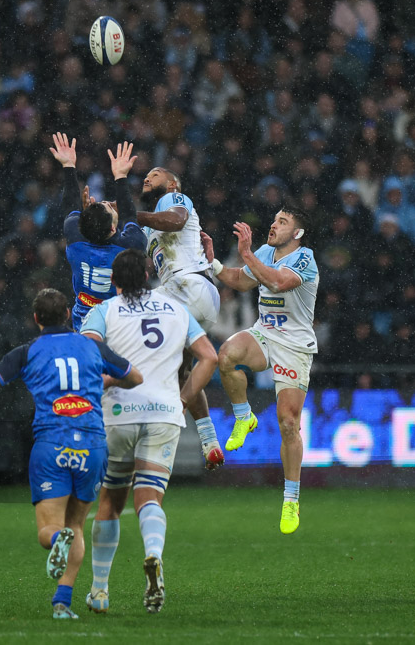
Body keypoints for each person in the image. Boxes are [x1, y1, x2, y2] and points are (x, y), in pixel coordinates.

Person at [0, 288, 141, 619]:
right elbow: (134, 376)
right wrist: (99, 383)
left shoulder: (28, 351)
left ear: (36, 319)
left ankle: (57, 543)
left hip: (52, 443)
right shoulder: (92, 346)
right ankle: (62, 602)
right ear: (67, 315)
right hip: (91, 444)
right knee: (77, 524)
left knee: (50, 530)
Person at [80, 249, 217, 614]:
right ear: (148, 274)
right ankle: (153, 555)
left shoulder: (103, 311)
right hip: (163, 413)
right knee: (149, 499)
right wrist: (184, 399)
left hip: (117, 414)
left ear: (114, 281)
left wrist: (110, 377)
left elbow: (88, 352)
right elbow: (210, 357)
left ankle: (99, 591)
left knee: (109, 503)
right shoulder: (177, 310)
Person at [206, 208, 318, 534]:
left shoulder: (304, 259)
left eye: (283, 223)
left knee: (288, 422)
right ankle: (244, 415)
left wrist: (246, 254)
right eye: (275, 219)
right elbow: (241, 281)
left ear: (296, 234)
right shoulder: (266, 252)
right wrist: (214, 263)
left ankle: (291, 499)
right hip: (265, 334)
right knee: (225, 355)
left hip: (294, 346)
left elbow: (278, 282)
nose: (274, 224)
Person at [136, 165, 224, 469]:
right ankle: (209, 439)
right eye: (146, 176)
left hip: (188, 286)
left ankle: (147, 420)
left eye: (155, 174)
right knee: (181, 371)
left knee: (120, 317)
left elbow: (175, 221)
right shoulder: (147, 229)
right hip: (197, 296)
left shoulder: (175, 199)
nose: (148, 178)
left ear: (173, 183)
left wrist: (131, 215)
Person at [49, 132, 147, 330]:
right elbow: (129, 215)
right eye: (110, 207)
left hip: (84, 323)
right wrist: (121, 176)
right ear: (113, 227)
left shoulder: (75, 240)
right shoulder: (131, 246)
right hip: (120, 325)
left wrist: (68, 166)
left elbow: (71, 206)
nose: (109, 204)